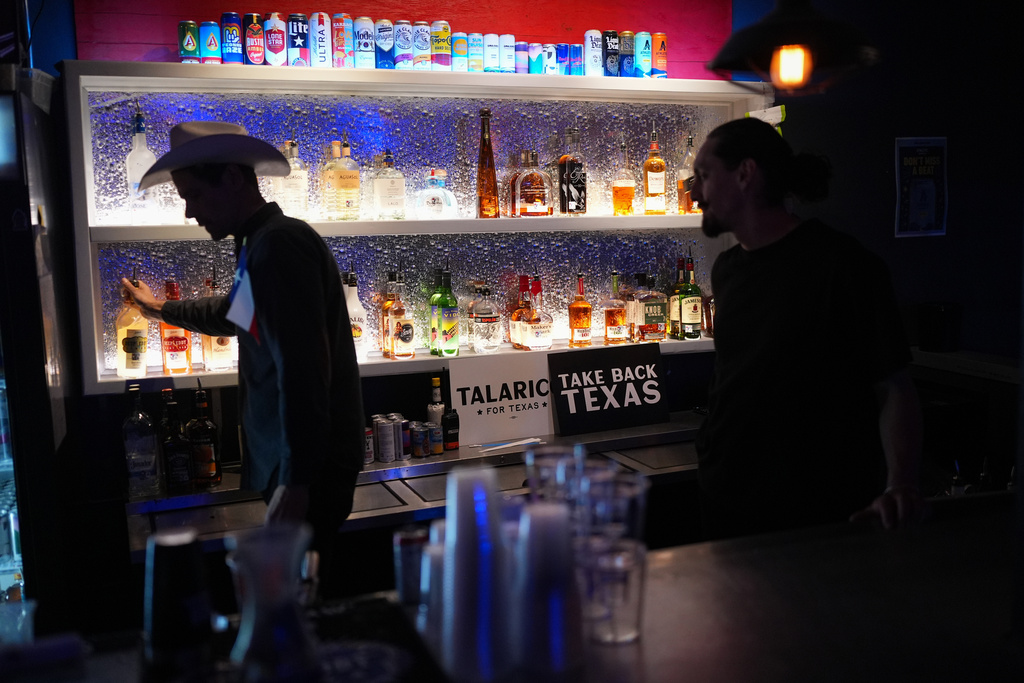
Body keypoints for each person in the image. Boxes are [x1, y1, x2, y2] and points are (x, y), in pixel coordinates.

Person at [122, 121, 365, 596]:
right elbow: (233, 313)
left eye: (193, 194)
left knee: (303, 607)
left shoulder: (278, 246)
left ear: (233, 178)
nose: (189, 211)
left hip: (310, 472)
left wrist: (296, 483)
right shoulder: (261, 242)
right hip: (302, 467)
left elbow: (303, 372)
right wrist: (160, 309)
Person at [691, 117, 926, 540]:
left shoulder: (842, 264)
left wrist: (900, 484)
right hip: (726, 496)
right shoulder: (727, 269)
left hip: (815, 505)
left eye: (705, 175)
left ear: (745, 174)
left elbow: (894, 388)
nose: (695, 192)